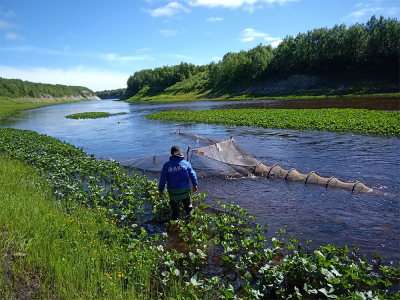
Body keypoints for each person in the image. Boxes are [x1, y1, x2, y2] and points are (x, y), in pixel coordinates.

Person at [158, 145, 198, 221]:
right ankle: (190, 221)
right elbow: (193, 175)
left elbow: (163, 179)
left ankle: (175, 223)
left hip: (174, 193)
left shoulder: (167, 165)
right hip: (185, 191)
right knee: (189, 208)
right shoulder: (186, 164)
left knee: (175, 211)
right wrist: (195, 185)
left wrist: (161, 190)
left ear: (171, 154)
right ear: (179, 153)